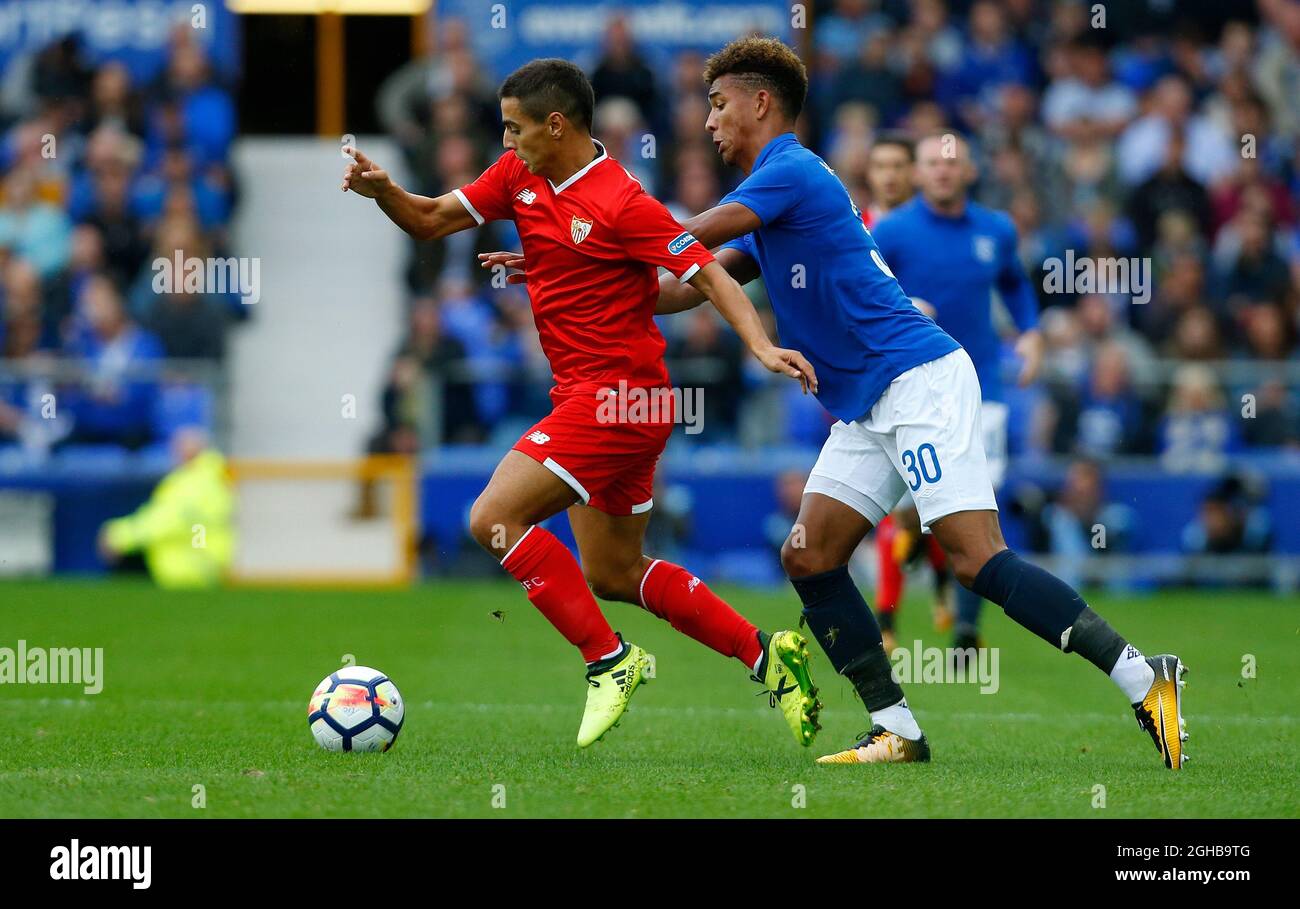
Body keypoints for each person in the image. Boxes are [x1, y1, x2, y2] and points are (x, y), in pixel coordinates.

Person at [495, 38, 1189, 769]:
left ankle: (1147, 676)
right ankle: (898, 727)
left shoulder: (786, 170)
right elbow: (676, 284)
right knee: (810, 554)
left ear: (761, 104)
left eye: (719, 104)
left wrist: (580, 250)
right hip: (869, 402)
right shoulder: (770, 203)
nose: (708, 123)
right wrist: (556, 272)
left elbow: (680, 240)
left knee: (973, 558)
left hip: (917, 379)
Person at [343, 58, 823, 750]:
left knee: (493, 517)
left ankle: (610, 660)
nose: (505, 144)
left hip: (620, 399)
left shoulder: (622, 200)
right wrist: (384, 190)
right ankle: (766, 654)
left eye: (515, 129)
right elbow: (428, 219)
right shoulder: (521, 175)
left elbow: (706, 272)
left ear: (557, 124)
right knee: (614, 572)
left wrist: (759, 345)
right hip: (595, 398)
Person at [871, 131, 1044, 652]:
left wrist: (1030, 332)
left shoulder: (996, 229)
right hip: (913, 389)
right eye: (932, 164)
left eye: (953, 163)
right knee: (913, 510)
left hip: (982, 390)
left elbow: (1014, 282)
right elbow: (861, 287)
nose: (943, 172)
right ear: (918, 173)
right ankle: (909, 576)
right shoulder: (894, 230)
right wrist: (902, 309)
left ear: (969, 170)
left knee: (978, 505)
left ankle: (966, 630)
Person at [98, 426, 233, 589]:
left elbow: (167, 521)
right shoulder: (209, 477)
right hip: (202, 568)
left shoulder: (192, 483)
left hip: (187, 572)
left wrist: (120, 536)